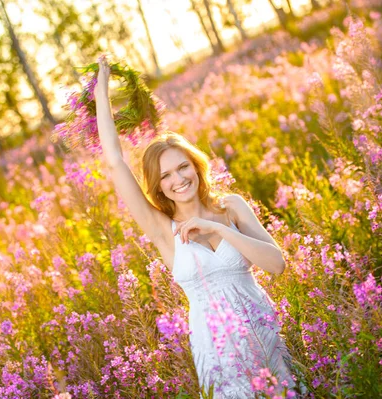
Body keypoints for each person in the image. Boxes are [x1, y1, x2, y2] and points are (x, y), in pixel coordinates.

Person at [93, 57, 299, 397]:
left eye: (182, 167)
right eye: (166, 176)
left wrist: (219, 229)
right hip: (216, 347)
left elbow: (276, 265)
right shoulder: (162, 228)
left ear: (196, 166)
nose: (178, 179)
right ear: (158, 187)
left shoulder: (231, 206)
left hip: (262, 332)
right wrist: (102, 88)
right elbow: (114, 160)